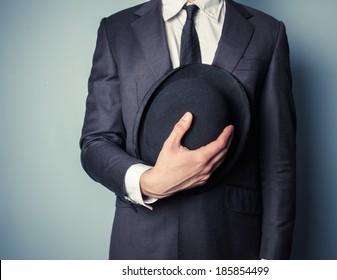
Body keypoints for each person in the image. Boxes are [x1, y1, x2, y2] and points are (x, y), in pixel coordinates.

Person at [80, 0, 296, 260]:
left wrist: (273, 264)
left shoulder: (267, 32)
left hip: (231, 239)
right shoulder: (116, 30)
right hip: (143, 242)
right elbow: (96, 141)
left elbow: (278, 161)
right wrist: (149, 182)